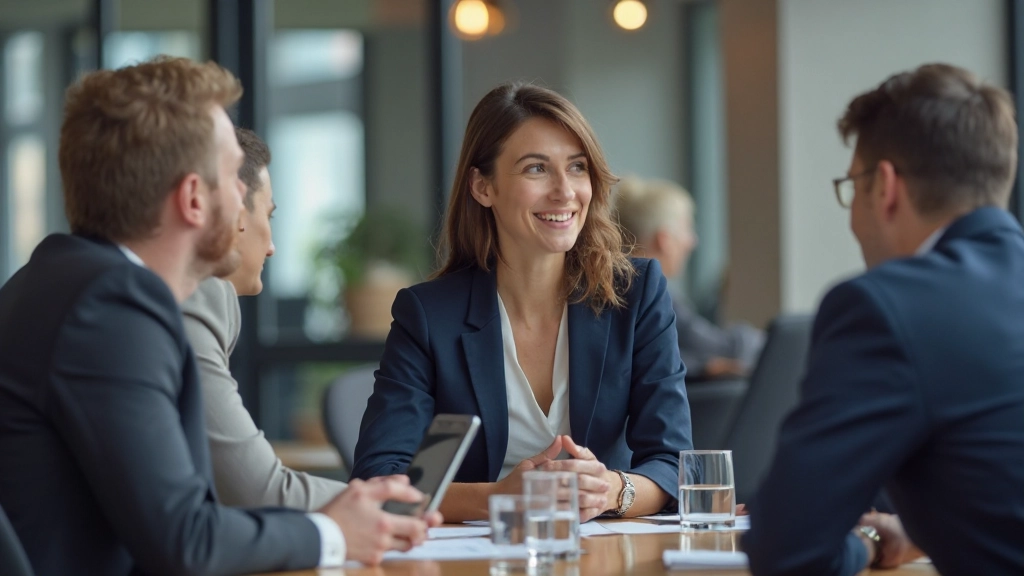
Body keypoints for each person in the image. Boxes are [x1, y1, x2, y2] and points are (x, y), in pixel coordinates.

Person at [0, 56, 435, 576]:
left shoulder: (59, 281)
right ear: (192, 199)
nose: (247, 198)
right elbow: (186, 540)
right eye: (234, 175)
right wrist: (334, 531)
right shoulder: (109, 310)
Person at [351, 82, 693, 523]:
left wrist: (612, 490)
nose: (565, 191)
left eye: (576, 167)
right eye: (536, 169)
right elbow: (383, 479)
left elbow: (673, 465)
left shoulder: (635, 293)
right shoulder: (430, 316)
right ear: (482, 186)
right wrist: (500, 496)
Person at [743, 63, 1024, 575]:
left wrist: (868, 543)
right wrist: (922, 533)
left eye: (852, 187)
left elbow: (787, 550)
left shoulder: (885, 308)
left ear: (886, 186)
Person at [181, 127, 347, 509]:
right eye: (268, 215)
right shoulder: (199, 296)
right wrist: (390, 504)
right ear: (236, 209)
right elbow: (258, 490)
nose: (271, 247)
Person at [614, 176, 764, 377]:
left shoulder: (616, 284)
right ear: (664, 240)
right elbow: (719, 347)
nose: (692, 241)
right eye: (687, 229)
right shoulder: (650, 291)